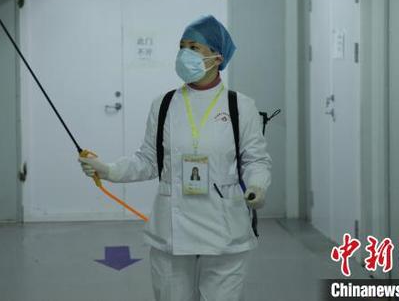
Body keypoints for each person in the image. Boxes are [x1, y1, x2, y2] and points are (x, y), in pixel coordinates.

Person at [79, 15, 271, 301]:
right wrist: (107, 170)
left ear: (217, 57)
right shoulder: (165, 104)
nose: (184, 54)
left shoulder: (240, 106)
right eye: (182, 46)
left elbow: (256, 159)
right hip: (172, 229)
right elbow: (148, 160)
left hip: (225, 227)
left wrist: (257, 186)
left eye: (194, 47)